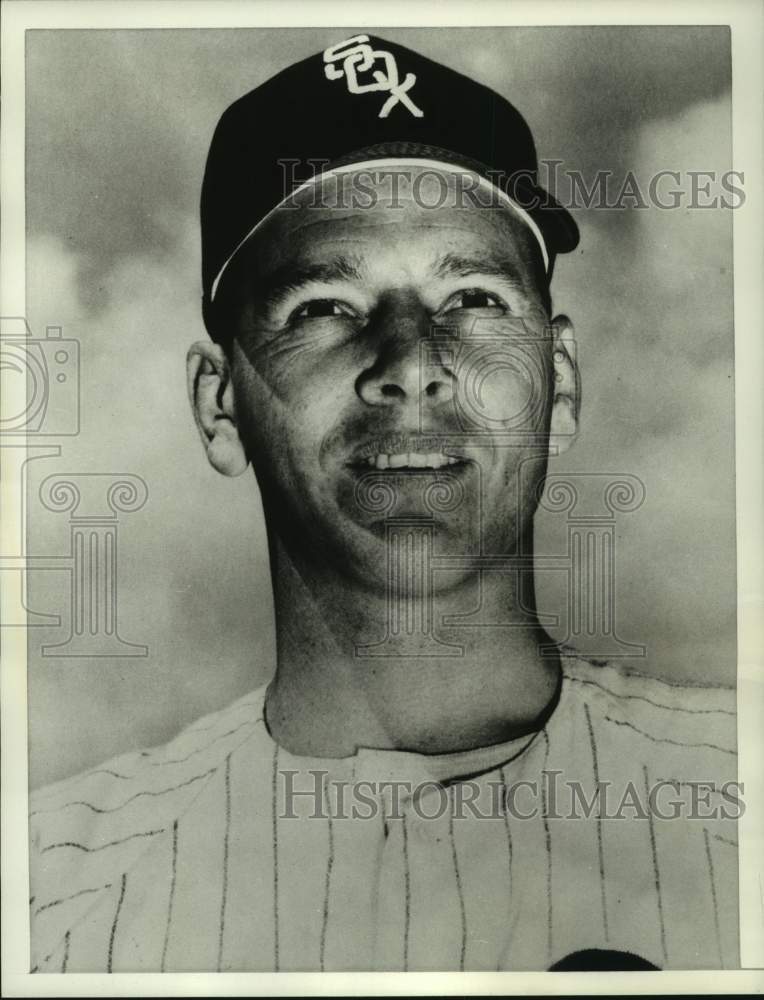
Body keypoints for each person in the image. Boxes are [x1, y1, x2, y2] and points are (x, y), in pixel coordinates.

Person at [29, 34, 739, 973]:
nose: (412, 365)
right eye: (323, 307)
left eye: (475, 298)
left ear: (558, 383)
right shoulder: (50, 895)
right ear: (219, 406)